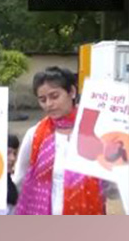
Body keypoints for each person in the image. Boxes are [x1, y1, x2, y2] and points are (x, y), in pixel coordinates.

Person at [14, 67, 109, 215]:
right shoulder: (34, 135)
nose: (48, 104)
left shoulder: (97, 132)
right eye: (42, 100)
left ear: (71, 92)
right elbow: (20, 179)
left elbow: (113, 187)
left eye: (54, 96)